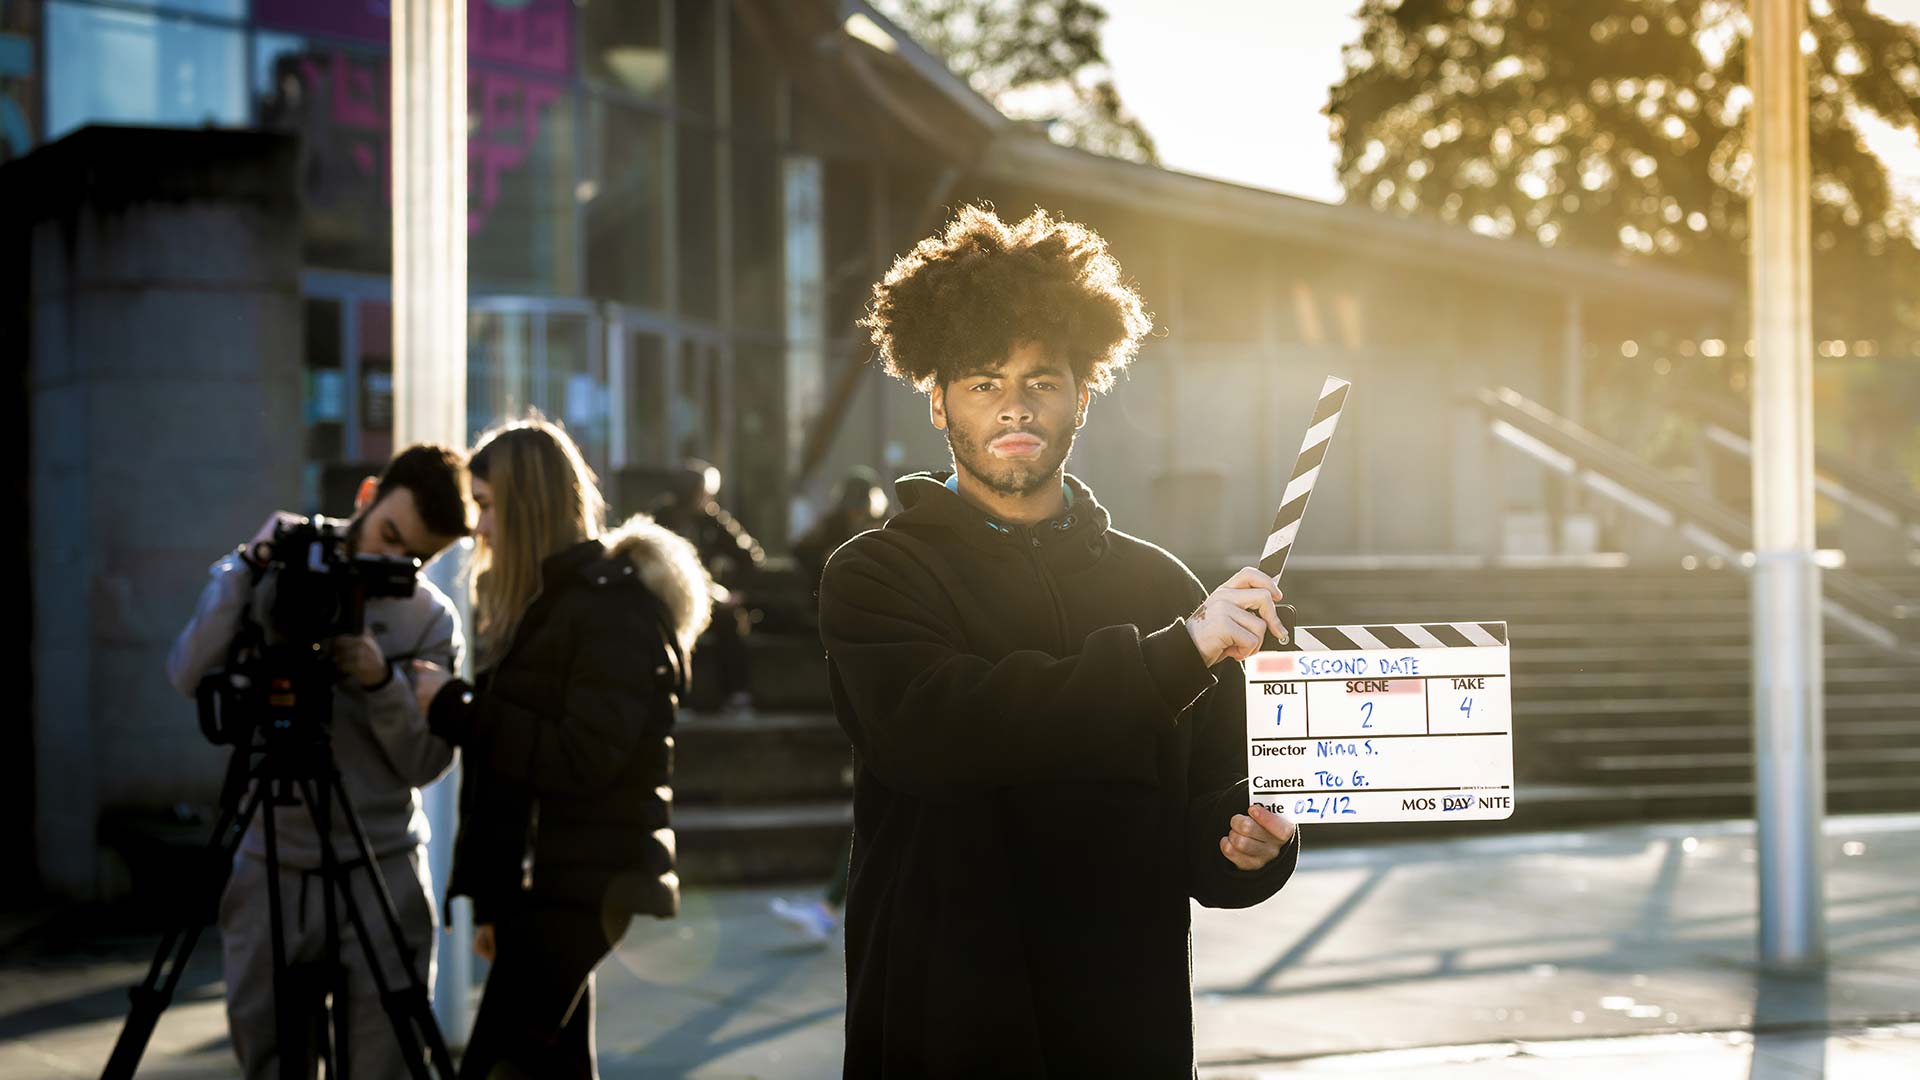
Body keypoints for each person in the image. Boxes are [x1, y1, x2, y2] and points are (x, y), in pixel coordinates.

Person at [818, 204, 1301, 1075]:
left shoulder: (1163, 588)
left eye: (1041, 381)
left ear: (1084, 392)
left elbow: (1217, 803)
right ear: (937, 401)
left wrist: (1254, 845)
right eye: (981, 381)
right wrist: (1169, 657)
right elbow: (947, 736)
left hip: (1125, 1028)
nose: (1014, 407)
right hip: (940, 1027)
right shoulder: (874, 575)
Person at [411, 416, 712, 1079]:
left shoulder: (610, 610)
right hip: (547, 886)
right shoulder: (546, 605)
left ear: (529, 504)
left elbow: (579, 759)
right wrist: (494, 902)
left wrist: (458, 709)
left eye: (486, 507)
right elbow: (509, 778)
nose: (479, 528)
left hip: (581, 888)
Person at [166, 444, 471, 1080]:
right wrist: (247, 566)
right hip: (270, 857)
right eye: (388, 535)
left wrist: (381, 682)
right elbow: (189, 672)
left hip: (380, 863)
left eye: (415, 556)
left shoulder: (428, 617)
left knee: (383, 1064)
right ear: (366, 497)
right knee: (272, 1060)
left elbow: (425, 762)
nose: (392, 561)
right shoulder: (273, 566)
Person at [768, 467, 891, 943]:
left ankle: (829, 906)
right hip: (865, 686)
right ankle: (828, 905)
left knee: (873, 808)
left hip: (867, 687)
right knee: (871, 808)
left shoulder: (845, 541)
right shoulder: (863, 541)